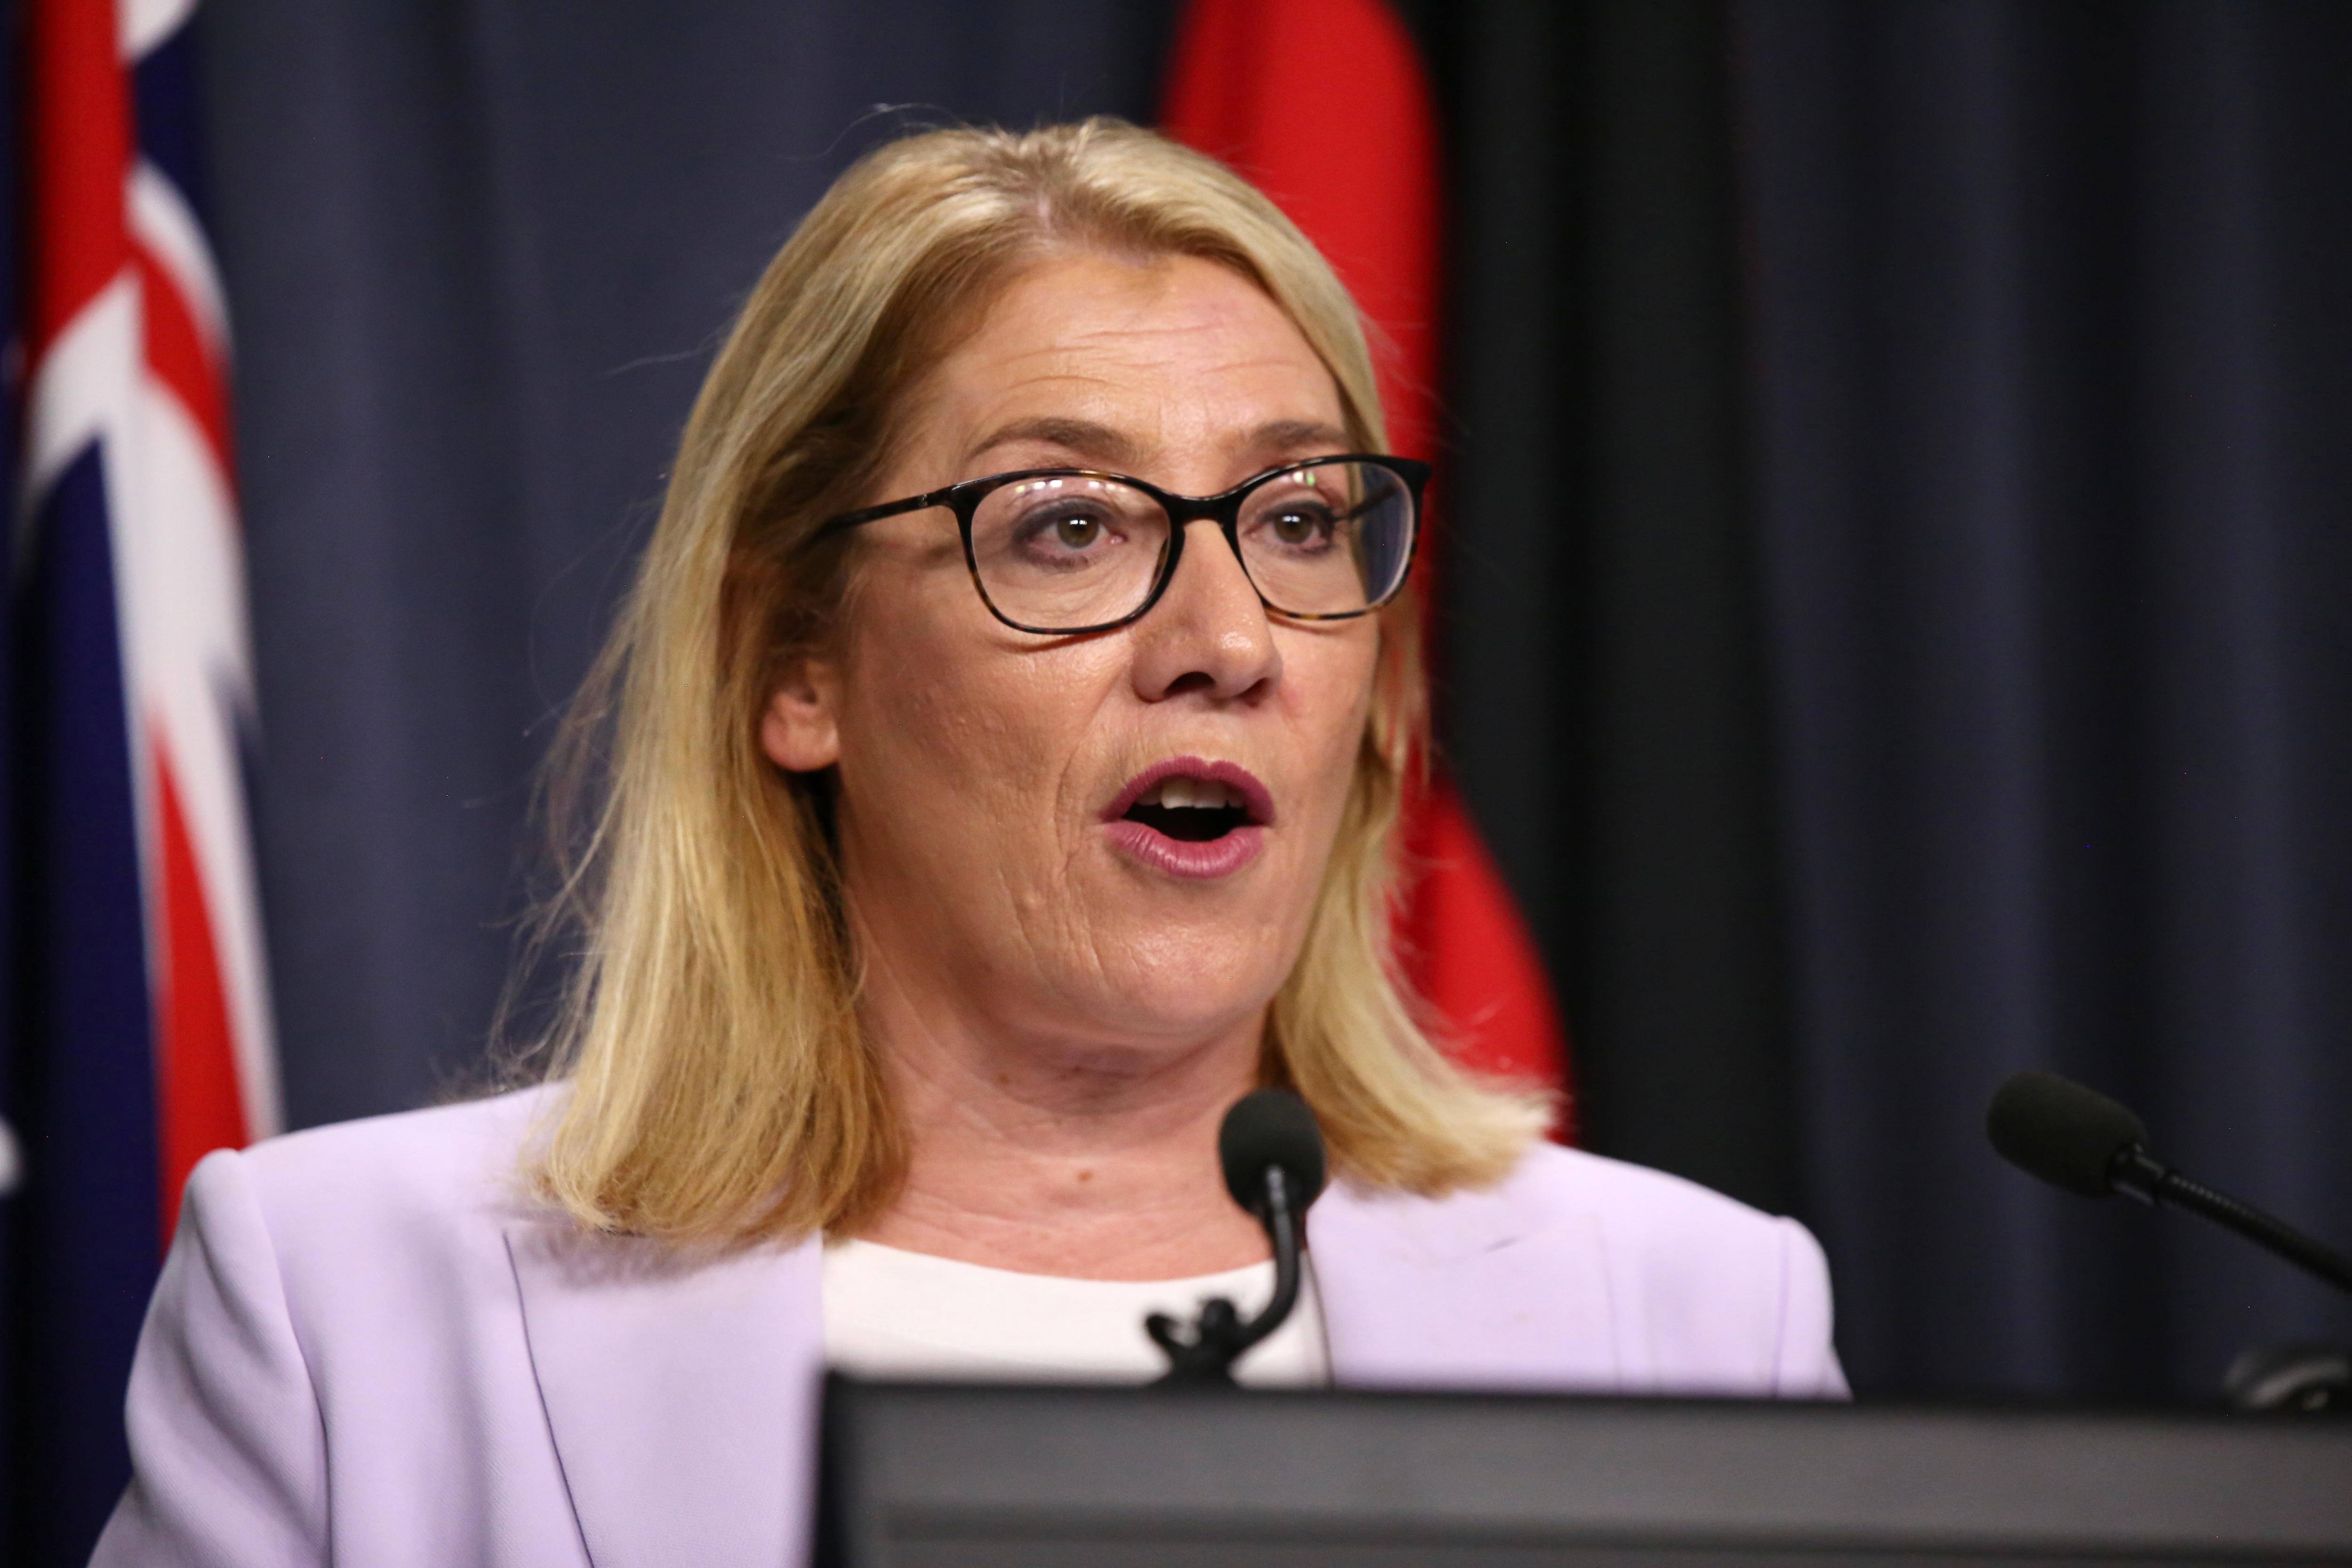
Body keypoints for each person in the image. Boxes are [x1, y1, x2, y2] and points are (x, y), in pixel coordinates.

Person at [93, 119, 1844, 1568]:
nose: (1228, 638)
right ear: (797, 661)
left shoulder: (1691, 1321)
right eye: (1071, 525)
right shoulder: (345, 1312)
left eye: (1301, 517)